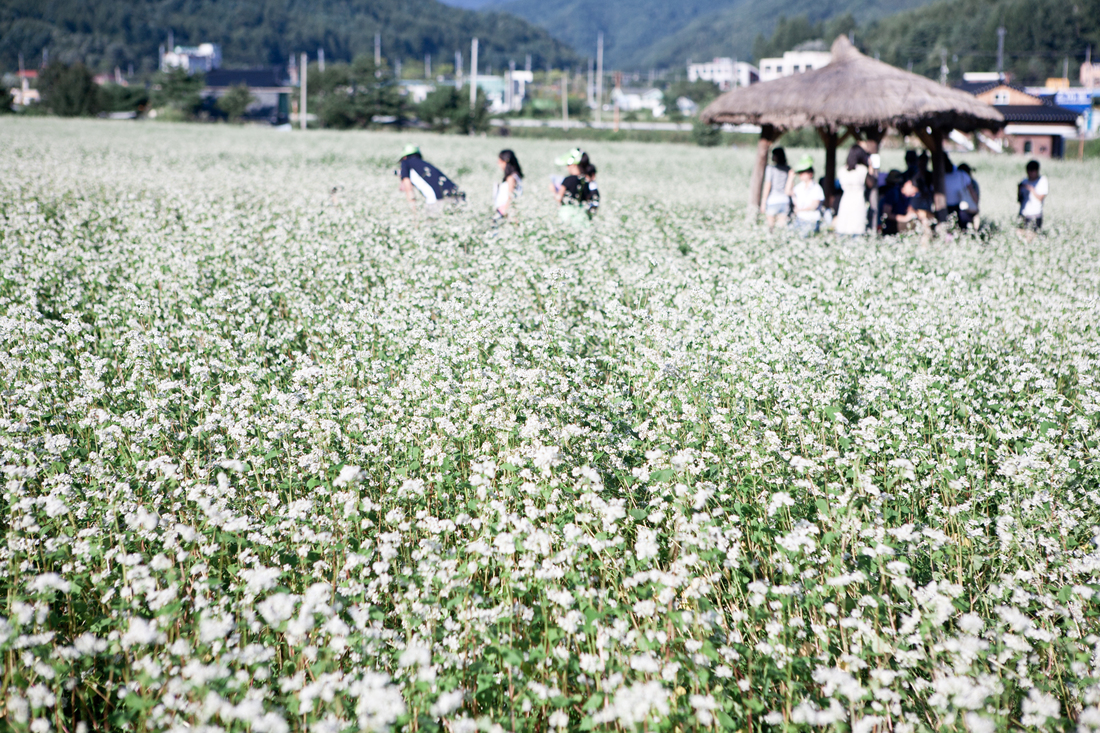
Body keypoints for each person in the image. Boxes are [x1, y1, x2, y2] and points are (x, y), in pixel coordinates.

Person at [398, 145, 463, 212]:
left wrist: (413, 209)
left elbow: (408, 189)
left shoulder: (405, 163)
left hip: (438, 199)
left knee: (430, 220)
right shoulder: (424, 164)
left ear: (404, 157)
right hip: (458, 195)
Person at [552, 148, 595, 226]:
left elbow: (559, 198)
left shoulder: (568, 179)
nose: (567, 167)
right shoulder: (585, 180)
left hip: (567, 214)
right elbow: (588, 198)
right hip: (581, 214)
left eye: (568, 165)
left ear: (574, 165)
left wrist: (553, 190)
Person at [834, 145, 871, 236]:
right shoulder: (862, 170)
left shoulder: (842, 170)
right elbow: (871, 184)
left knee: (844, 225)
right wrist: (870, 167)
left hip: (845, 200)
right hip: (858, 201)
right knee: (857, 228)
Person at [787, 154, 825, 237]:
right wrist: (790, 177)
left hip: (811, 220)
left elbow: (814, 205)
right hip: (800, 219)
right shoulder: (800, 187)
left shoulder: (816, 188)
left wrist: (800, 210)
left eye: (803, 173)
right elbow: (787, 192)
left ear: (810, 174)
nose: (800, 175)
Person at [760, 147, 792, 231]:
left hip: (773, 200)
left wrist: (763, 202)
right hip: (784, 200)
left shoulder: (771, 169)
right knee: (781, 228)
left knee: (771, 227)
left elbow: (768, 185)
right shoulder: (788, 169)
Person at [943, 156, 979, 230]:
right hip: (960, 208)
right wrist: (976, 206)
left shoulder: (942, 177)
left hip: (955, 207)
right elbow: (972, 192)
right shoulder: (962, 175)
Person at [1018, 159, 1047, 235]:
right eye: (1028, 171)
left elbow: (1040, 198)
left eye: (1031, 171)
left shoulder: (1042, 181)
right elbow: (1019, 200)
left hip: (1035, 215)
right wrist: (1019, 189)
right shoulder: (1024, 181)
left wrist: (1031, 189)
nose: (1029, 174)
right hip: (1023, 214)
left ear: (1036, 171)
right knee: (1019, 235)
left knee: (1031, 238)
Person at [493, 149, 523, 219]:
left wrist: (505, 211)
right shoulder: (515, 176)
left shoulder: (511, 178)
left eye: (500, 161)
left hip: (505, 211)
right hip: (506, 210)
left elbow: (510, 196)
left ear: (505, 161)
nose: (498, 163)